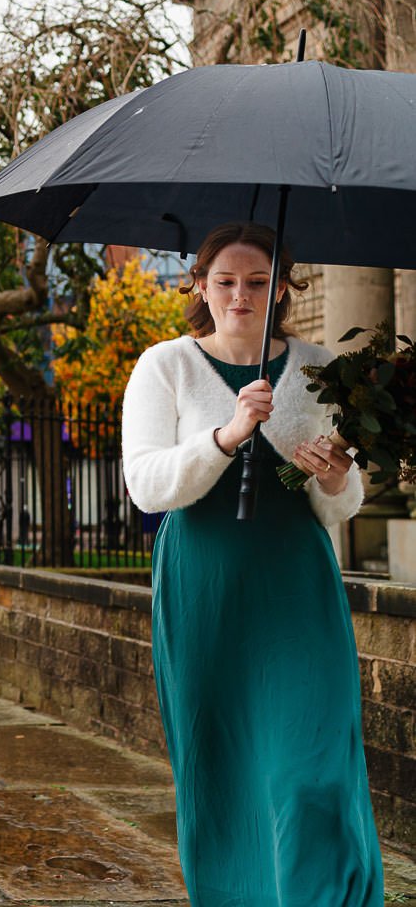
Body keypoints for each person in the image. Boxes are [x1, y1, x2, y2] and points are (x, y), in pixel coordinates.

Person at [121, 223, 382, 904]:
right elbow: (148, 485)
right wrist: (225, 436)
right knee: (224, 770)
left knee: (311, 769)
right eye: (226, 281)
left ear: (285, 288)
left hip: (298, 588)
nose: (241, 295)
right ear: (199, 286)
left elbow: (342, 504)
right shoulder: (165, 366)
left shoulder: (321, 367)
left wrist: (331, 477)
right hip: (207, 592)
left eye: (258, 282)